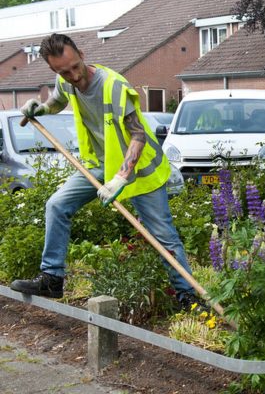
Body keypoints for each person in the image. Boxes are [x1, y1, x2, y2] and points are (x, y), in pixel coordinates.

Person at [10, 33, 202, 310]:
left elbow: (138, 136)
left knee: (163, 236)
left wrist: (121, 177)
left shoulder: (114, 86)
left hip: (140, 169)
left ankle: (188, 297)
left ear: (82, 55)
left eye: (75, 66)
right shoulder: (65, 80)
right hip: (100, 165)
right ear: (54, 70)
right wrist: (40, 109)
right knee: (56, 205)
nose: (73, 76)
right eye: (64, 72)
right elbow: (58, 100)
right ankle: (52, 278)